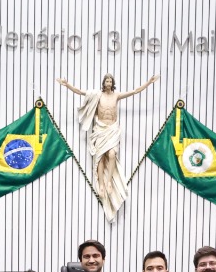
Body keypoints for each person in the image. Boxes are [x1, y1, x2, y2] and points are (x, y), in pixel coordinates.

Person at [56, 72, 159, 220]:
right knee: (100, 158)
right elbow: (80, 92)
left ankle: (109, 180)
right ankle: (102, 185)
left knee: (112, 154)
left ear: (113, 83)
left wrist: (148, 83)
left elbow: (135, 91)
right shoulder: (97, 95)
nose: (109, 83)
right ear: (103, 83)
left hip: (112, 129)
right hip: (100, 129)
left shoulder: (116, 95)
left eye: (111, 81)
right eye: (107, 81)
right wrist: (67, 85)